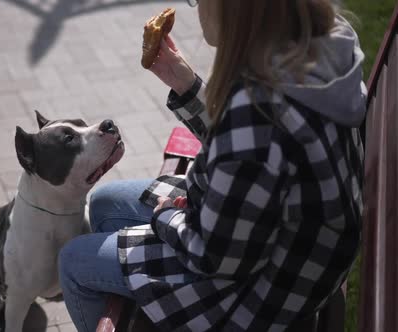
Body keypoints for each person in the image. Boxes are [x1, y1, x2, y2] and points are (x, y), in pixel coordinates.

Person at [58, 0, 366, 331]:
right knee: (106, 203)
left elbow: (213, 257)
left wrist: (166, 216)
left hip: (257, 296)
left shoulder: (258, 109)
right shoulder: (319, 42)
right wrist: (186, 85)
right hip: (291, 256)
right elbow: (247, 151)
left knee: (74, 262)